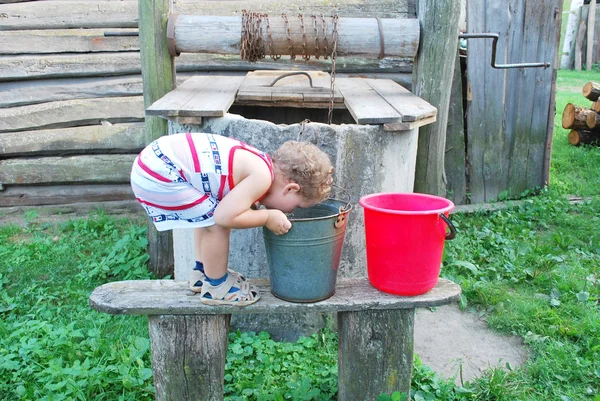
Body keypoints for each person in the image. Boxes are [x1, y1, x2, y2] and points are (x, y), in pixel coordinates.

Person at [130, 132, 334, 306]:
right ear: (290, 189)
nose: (293, 211)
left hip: (155, 161)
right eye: (297, 206)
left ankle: (202, 274)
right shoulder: (262, 177)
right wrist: (266, 216)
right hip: (161, 172)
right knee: (216, 223)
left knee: (207, 216)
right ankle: (217, 287)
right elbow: (224, 217)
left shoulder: (261, 163)